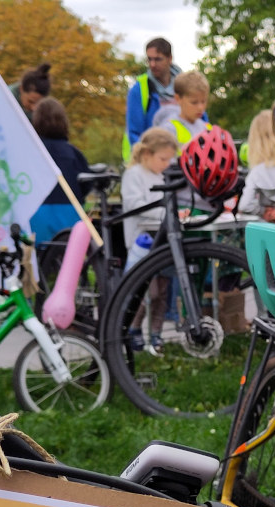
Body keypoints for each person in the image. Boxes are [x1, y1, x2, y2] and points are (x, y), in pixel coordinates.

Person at [120, 125, 177, 352]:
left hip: (161, 241)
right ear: (147, 154)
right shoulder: (134, 175)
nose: (166, 164)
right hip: (141, 242)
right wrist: (165, 212)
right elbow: (135, 204)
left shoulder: (161, 175)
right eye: (163, 159)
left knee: (162, 291)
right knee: (146, 290)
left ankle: (156, 334)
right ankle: (134, 329)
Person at [29, 96, 92, 246]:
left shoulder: (30, 153)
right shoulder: (73, 153)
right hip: (69, 213)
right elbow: (86, 183)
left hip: (37, 213)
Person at [0, 62, 50, 158]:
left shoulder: (43, 114)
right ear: (21, 89)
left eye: (38, 104)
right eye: (31, 101)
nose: (34, 108)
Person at [124, 36, 180, 152]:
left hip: (183, 160)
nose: (152, 64)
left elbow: (200, 120)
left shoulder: (185, 86)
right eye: (149, 59)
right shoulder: (139, 89)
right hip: (150, 161)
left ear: (170, 58)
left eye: (157, 59)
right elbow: (134, 133)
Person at [154, 70, 210, 149]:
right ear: (178, 98)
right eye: (194, 102)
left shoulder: (207, 128)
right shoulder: (168, 130)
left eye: (203, 101)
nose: (200, 107)